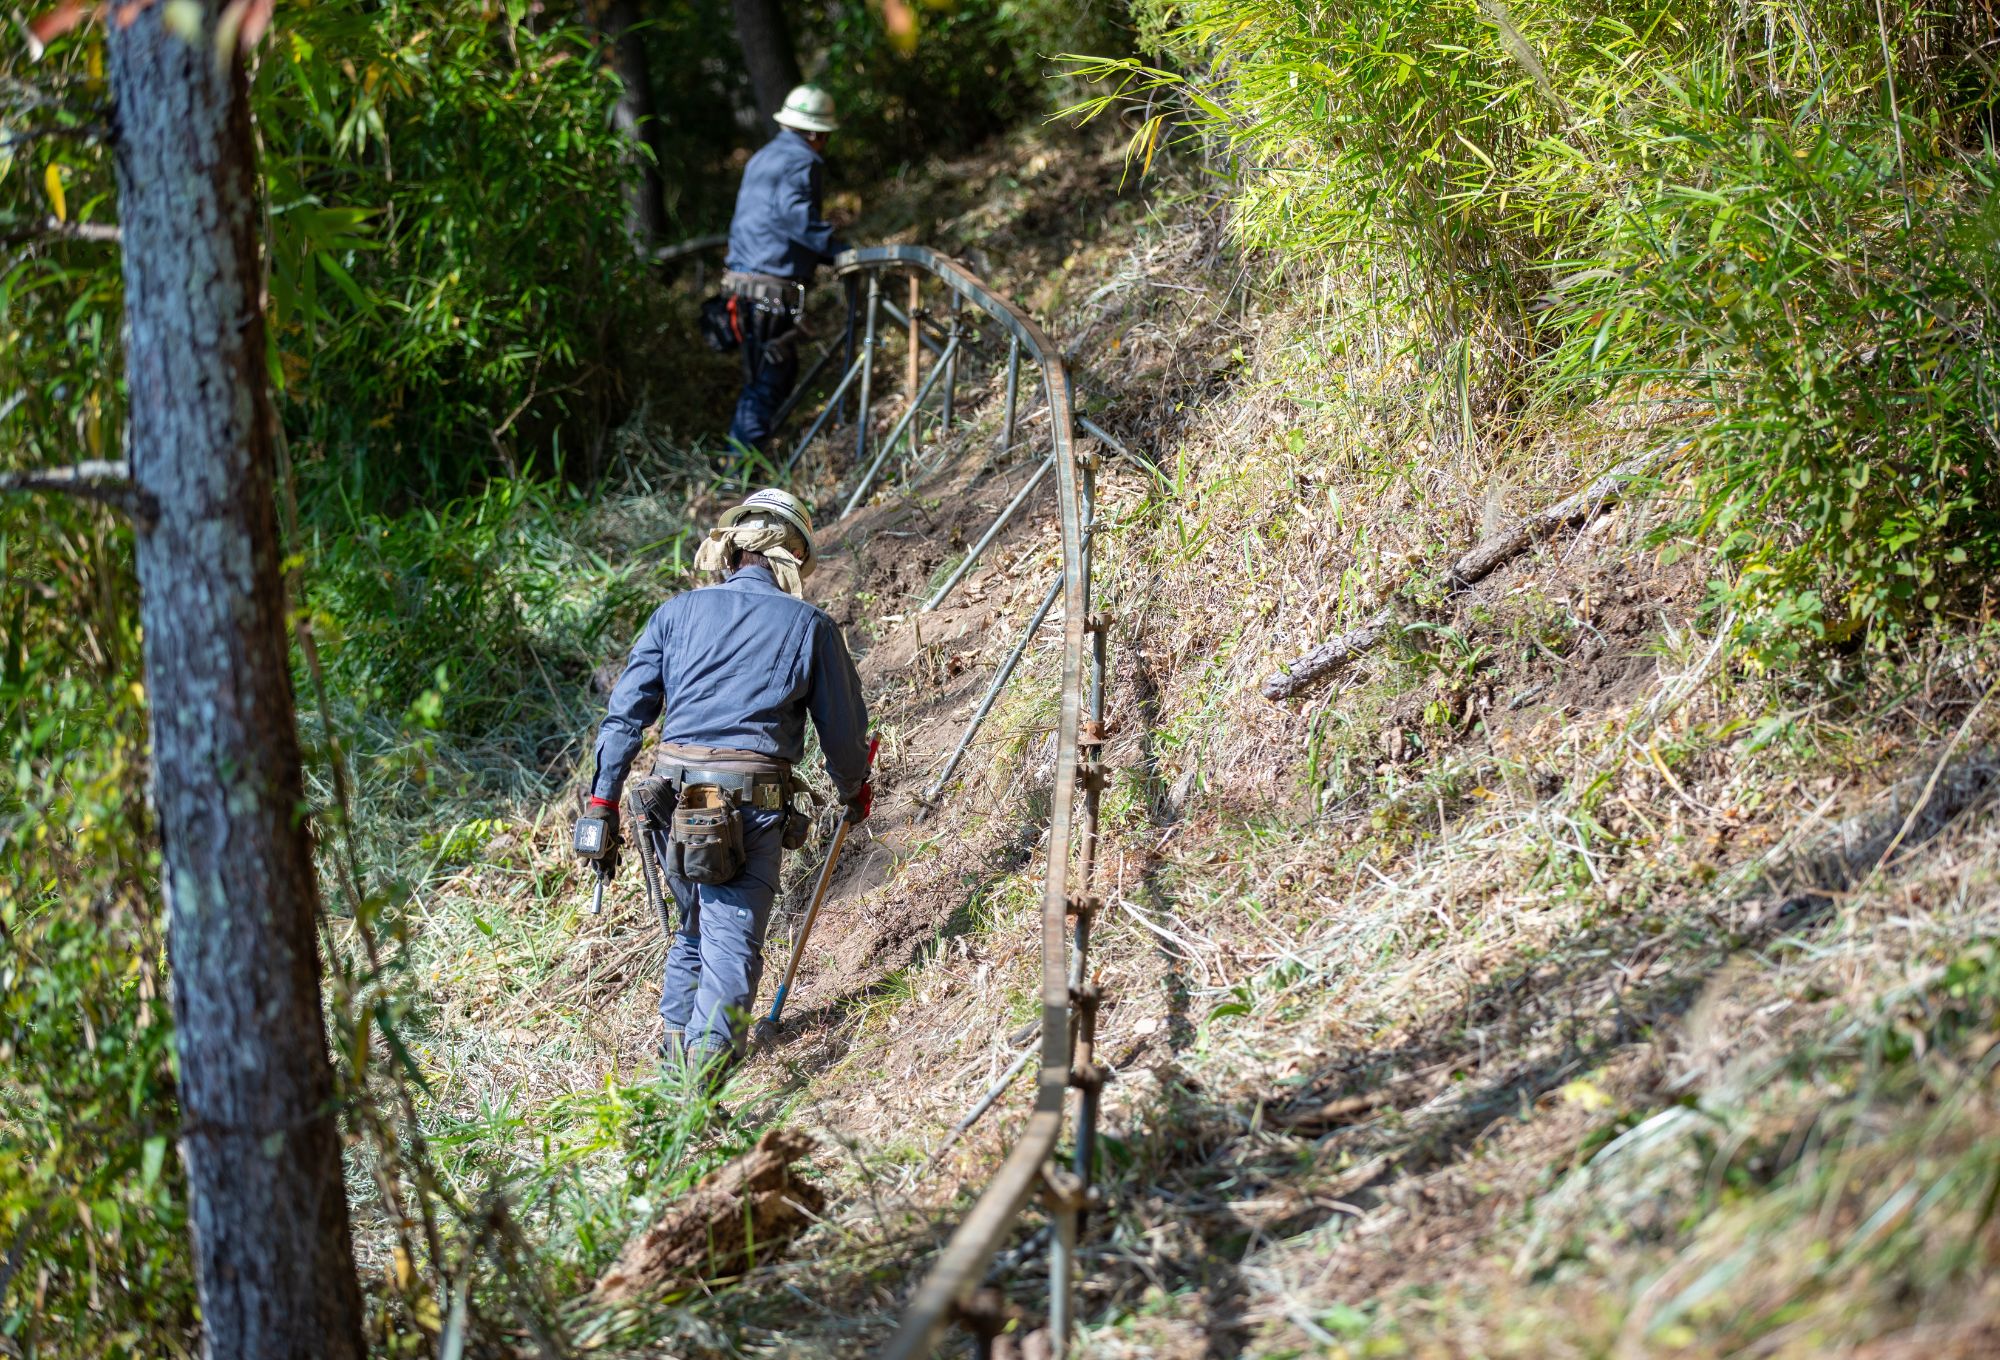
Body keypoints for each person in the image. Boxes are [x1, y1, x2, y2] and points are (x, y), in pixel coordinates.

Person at [577, 488, 872, 1083]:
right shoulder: (809, 626)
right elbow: (843, 738)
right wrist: (853, 788)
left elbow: (624, 718)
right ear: (791, 558)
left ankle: (671, 1077)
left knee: (693, 932)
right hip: (749, 805)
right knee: (730, 946)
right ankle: (698, 1097)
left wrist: (602, 802)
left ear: (732, 550)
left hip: (670, 802)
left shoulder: (675, 613)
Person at [721, 85, 847, 455]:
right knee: (770, 379)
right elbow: (795, 218)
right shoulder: (801, 161)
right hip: (769, 289)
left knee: (760, 378)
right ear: (815, 133)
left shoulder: (763, 157)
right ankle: (739, 474)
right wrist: (839, 251)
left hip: (744, 284)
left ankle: (741, 467)